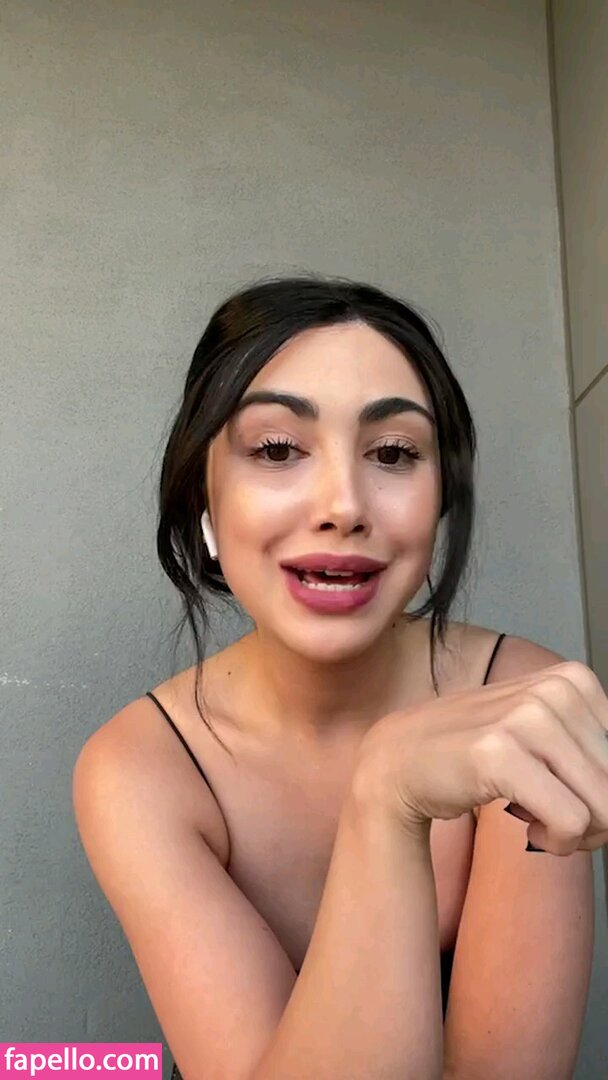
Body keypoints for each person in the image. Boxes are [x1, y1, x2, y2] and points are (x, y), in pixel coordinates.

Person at [72, 276, 608, 1080]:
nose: (344, 505)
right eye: (276, 449)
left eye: (393, 453)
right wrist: (387, 798)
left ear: (441, 497)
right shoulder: (140, 769)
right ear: (201, 494)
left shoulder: (523, 705)